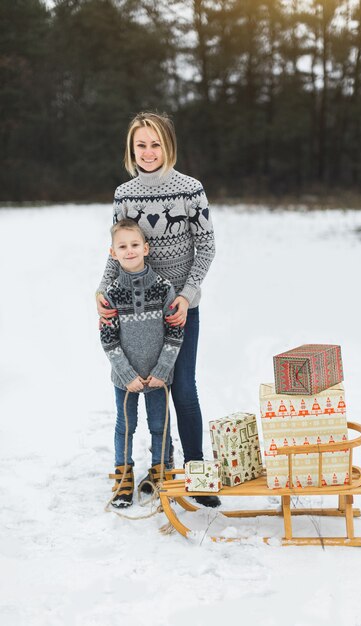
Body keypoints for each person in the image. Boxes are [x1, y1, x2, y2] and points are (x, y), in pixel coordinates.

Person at [96, 111, 220, 508]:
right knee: (141, 387)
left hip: (180, 308)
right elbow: (118, 249)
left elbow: (206, 248)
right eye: (140, 145)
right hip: (135, 311)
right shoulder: (124, 194)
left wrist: (186, 294)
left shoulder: (190, 190)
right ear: (131, 149)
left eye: (155, 144)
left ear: (168, 145)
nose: (148, 152)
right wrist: (102, 288)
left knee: (183, 389)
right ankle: (158, 466)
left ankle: (197, 473)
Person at [101, 218, 183, 508]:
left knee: (160, 425)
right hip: (126, 379)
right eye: (122, 246)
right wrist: (125, 374)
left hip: (158, 377)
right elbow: (108, 339)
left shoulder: (163, 288)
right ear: (113, 253)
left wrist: (162, 370)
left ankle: (160, 473)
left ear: (146, 248)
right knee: (126, 425)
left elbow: (175, 332)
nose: (130, 250)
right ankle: (123, 478)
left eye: (135, 245)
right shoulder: (110, 294)